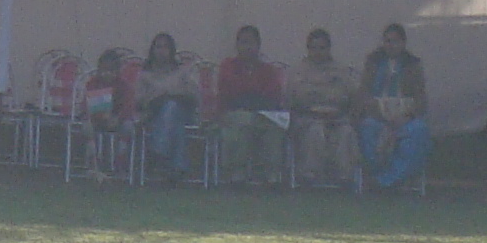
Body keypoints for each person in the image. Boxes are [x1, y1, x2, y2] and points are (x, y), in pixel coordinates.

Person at [358, 23, 431, 192]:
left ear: (403, 43)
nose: (391, 45)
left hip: (405, 116)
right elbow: (364, 94)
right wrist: (381, 115)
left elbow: (420, 98)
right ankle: (377, 174)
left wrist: (405, 117)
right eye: (387, 41)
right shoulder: (373, 62)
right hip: (377, 115)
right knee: (368, 128)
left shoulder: (413, 65)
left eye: (395, 41)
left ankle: (388, 179)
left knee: (418, 131)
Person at [287, 30, 362, 188]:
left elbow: (350, 95)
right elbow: (296, 97)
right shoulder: (299, 70)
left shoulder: (341, 70)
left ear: (329, 49)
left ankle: (343, 176)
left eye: (322, 48)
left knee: (346, 132)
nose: (318, 52)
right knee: (316, 130)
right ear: (308, 49)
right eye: (314, 48)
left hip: (337, 117)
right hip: (307, 117)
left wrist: (332, 106)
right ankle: (311, 175)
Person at [213, 26, 284, 187]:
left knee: (275, 125)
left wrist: (252, 96)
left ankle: (271, 174)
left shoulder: (267, 69)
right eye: (244, 42)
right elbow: (230, 91)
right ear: (237, 45)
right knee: (244, 121)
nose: (248, 47)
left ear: (258, 45)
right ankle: (236, 172)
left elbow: (273, 93)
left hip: (261, 112)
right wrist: (253, 94)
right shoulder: (228, 66)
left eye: (252, 42)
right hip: (232, 111)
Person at [132, 33, 199, 184]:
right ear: (152, 50)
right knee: (175, 123)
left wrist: (171, 95)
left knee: (172, 108)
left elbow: (194, 97)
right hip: (153, 115)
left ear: (172, 50)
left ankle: (158, 153)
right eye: (158, 47)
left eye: (166, 47)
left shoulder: (182, 73)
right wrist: (155, 99)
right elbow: (137, 101)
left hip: (184, 111)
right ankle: (177, 168)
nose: (162, 51)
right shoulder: (145, 75)